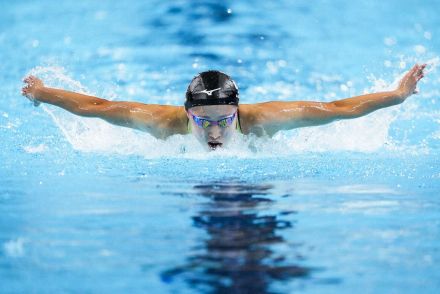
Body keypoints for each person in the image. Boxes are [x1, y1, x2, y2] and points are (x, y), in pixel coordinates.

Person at [22, 64, 426, 150]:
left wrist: (397, 95)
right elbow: (97, 106)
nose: (214, 133)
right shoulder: (162, 125)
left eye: (223, 121)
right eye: (202, 121)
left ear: (238, 110)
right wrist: (42, 93)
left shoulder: (265, 120)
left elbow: (340, 108)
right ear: (186, 113)